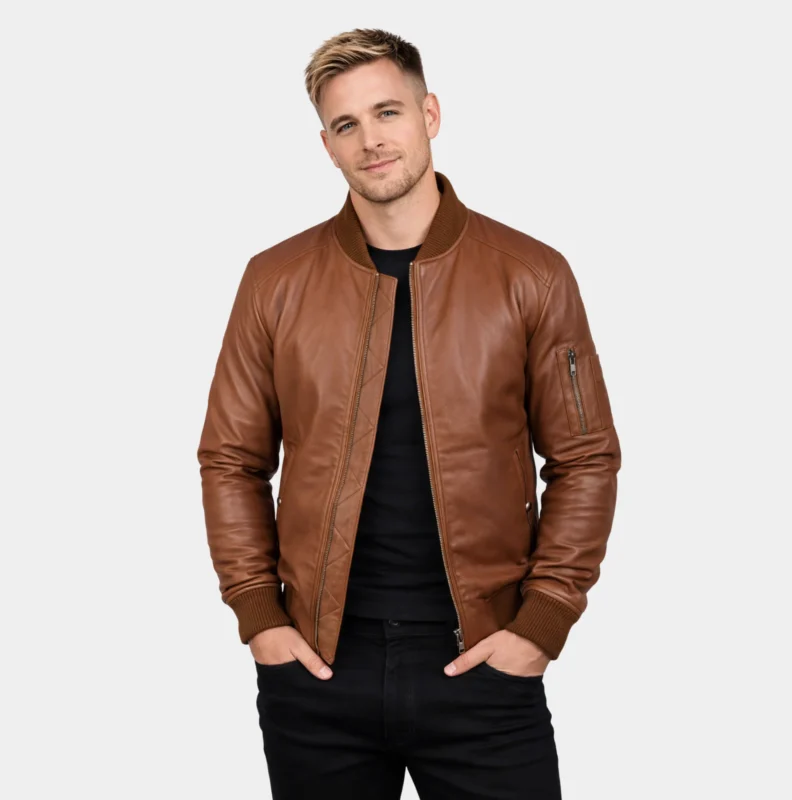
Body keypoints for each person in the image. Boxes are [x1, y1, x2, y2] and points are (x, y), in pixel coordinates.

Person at [197, 26, 621, 800]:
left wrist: (542, 624)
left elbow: (585, 457)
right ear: (326, 145)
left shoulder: (531, 275)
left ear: (430, 114)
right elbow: (231, 458)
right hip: (317, 673)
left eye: (387, 112)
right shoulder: (274, 281)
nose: (370, 140)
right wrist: (260, 616)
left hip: (484, 664)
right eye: (346, 124)